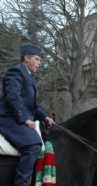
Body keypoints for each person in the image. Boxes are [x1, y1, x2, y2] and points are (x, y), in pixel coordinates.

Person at [0, 44, 54, 186]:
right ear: (26, 58)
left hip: (18, 117)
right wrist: (24, 119)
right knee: (34, 145)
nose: (39, 63)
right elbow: (13, 97)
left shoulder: (29, 77)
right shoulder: (15, 72)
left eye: (40, 60)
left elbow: (33, 106)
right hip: (8, 118)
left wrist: (45, 117)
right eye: (36, 59)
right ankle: (21, 183)